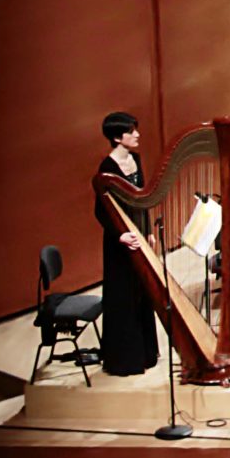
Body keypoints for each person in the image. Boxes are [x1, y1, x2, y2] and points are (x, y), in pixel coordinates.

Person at [92, 112, 161, 378]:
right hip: (119, 243)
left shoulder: (136, 159)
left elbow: (141, 199)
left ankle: (145, 353)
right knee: (123, 297)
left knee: (142, 293)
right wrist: (120, 236)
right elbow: (101, 211)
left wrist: (148, 230)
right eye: (132, 131)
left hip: (139, 236)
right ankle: (124, 359)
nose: (137, 135)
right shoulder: (106, 169)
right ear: (117, 137)